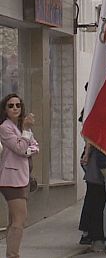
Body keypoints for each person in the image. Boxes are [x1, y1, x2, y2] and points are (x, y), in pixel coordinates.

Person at [0, 94, 38, 258]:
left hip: (23, 177)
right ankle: (13, 255)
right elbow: (20, 149)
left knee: (15, 220)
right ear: (5, 109)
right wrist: (27, 131)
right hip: (11, 180)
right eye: (11, 106)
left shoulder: (21, 127)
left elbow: (34, 146)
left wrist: (26, 145)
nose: (15, 108)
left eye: (18, 105)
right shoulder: (5, 128)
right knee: (19, 220)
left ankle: (11, 253)